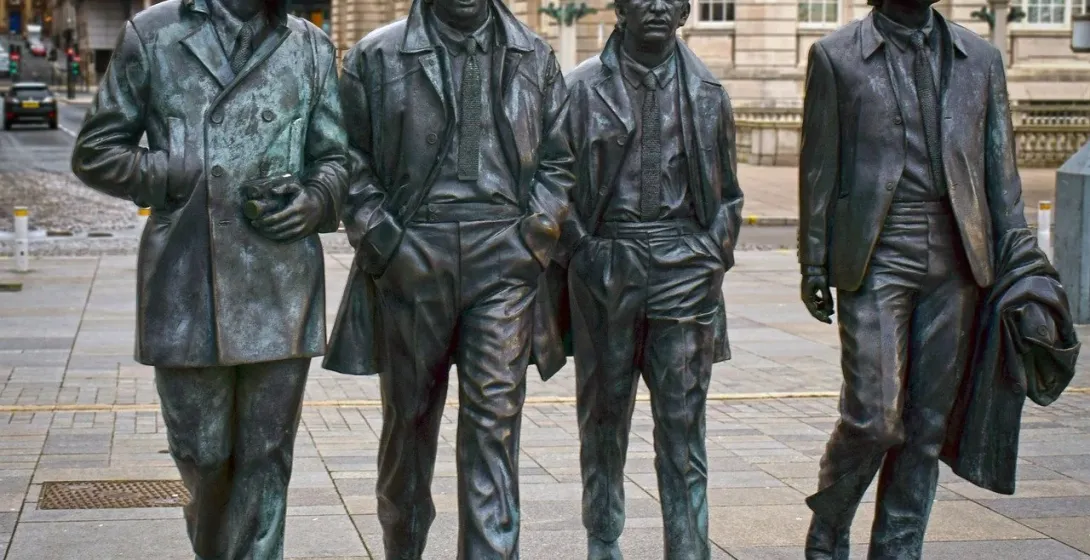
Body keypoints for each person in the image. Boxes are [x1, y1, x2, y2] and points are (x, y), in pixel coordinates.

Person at [70, 0, 347, 556]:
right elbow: (95, 152)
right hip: (185, 279)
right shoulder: (153, 34)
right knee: (202, 454)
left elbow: (337, 158)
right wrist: (173, 170)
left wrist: (317, 199)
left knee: (267, 455)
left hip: (280, 281)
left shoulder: (310, 46)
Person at [323, 0, 575, 557]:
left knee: (495, 424)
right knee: (409, 427)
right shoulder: (375, 56)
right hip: (414, 252)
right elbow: (346, 158)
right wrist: (385, 243)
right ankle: (403, 546)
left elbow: (560, 159)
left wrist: (534, 237)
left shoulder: (534, 56)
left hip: (504, 258)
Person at [797, 0, 1046, 556]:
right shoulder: (836, 56)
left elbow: (1001, 177)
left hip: (958, 257)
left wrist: (1024, 265)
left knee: (926, 427)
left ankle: (899, 549)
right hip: (877, 251)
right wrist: (813, 260)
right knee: (874, 419)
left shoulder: (980, 58)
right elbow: (819, 164)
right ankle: (828, 529)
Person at [559, 0, 743, 556]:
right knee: (603, 418)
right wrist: (583, 251)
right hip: (607, 261)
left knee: (684, 427)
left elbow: (728, 195)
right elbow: (552, 183)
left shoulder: (708, 92)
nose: (658, 6)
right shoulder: (579, 89)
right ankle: (603, 539)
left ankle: (688, 548)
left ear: (685, 11)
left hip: (685, 264)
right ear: (619, 8)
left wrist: (710, 255)